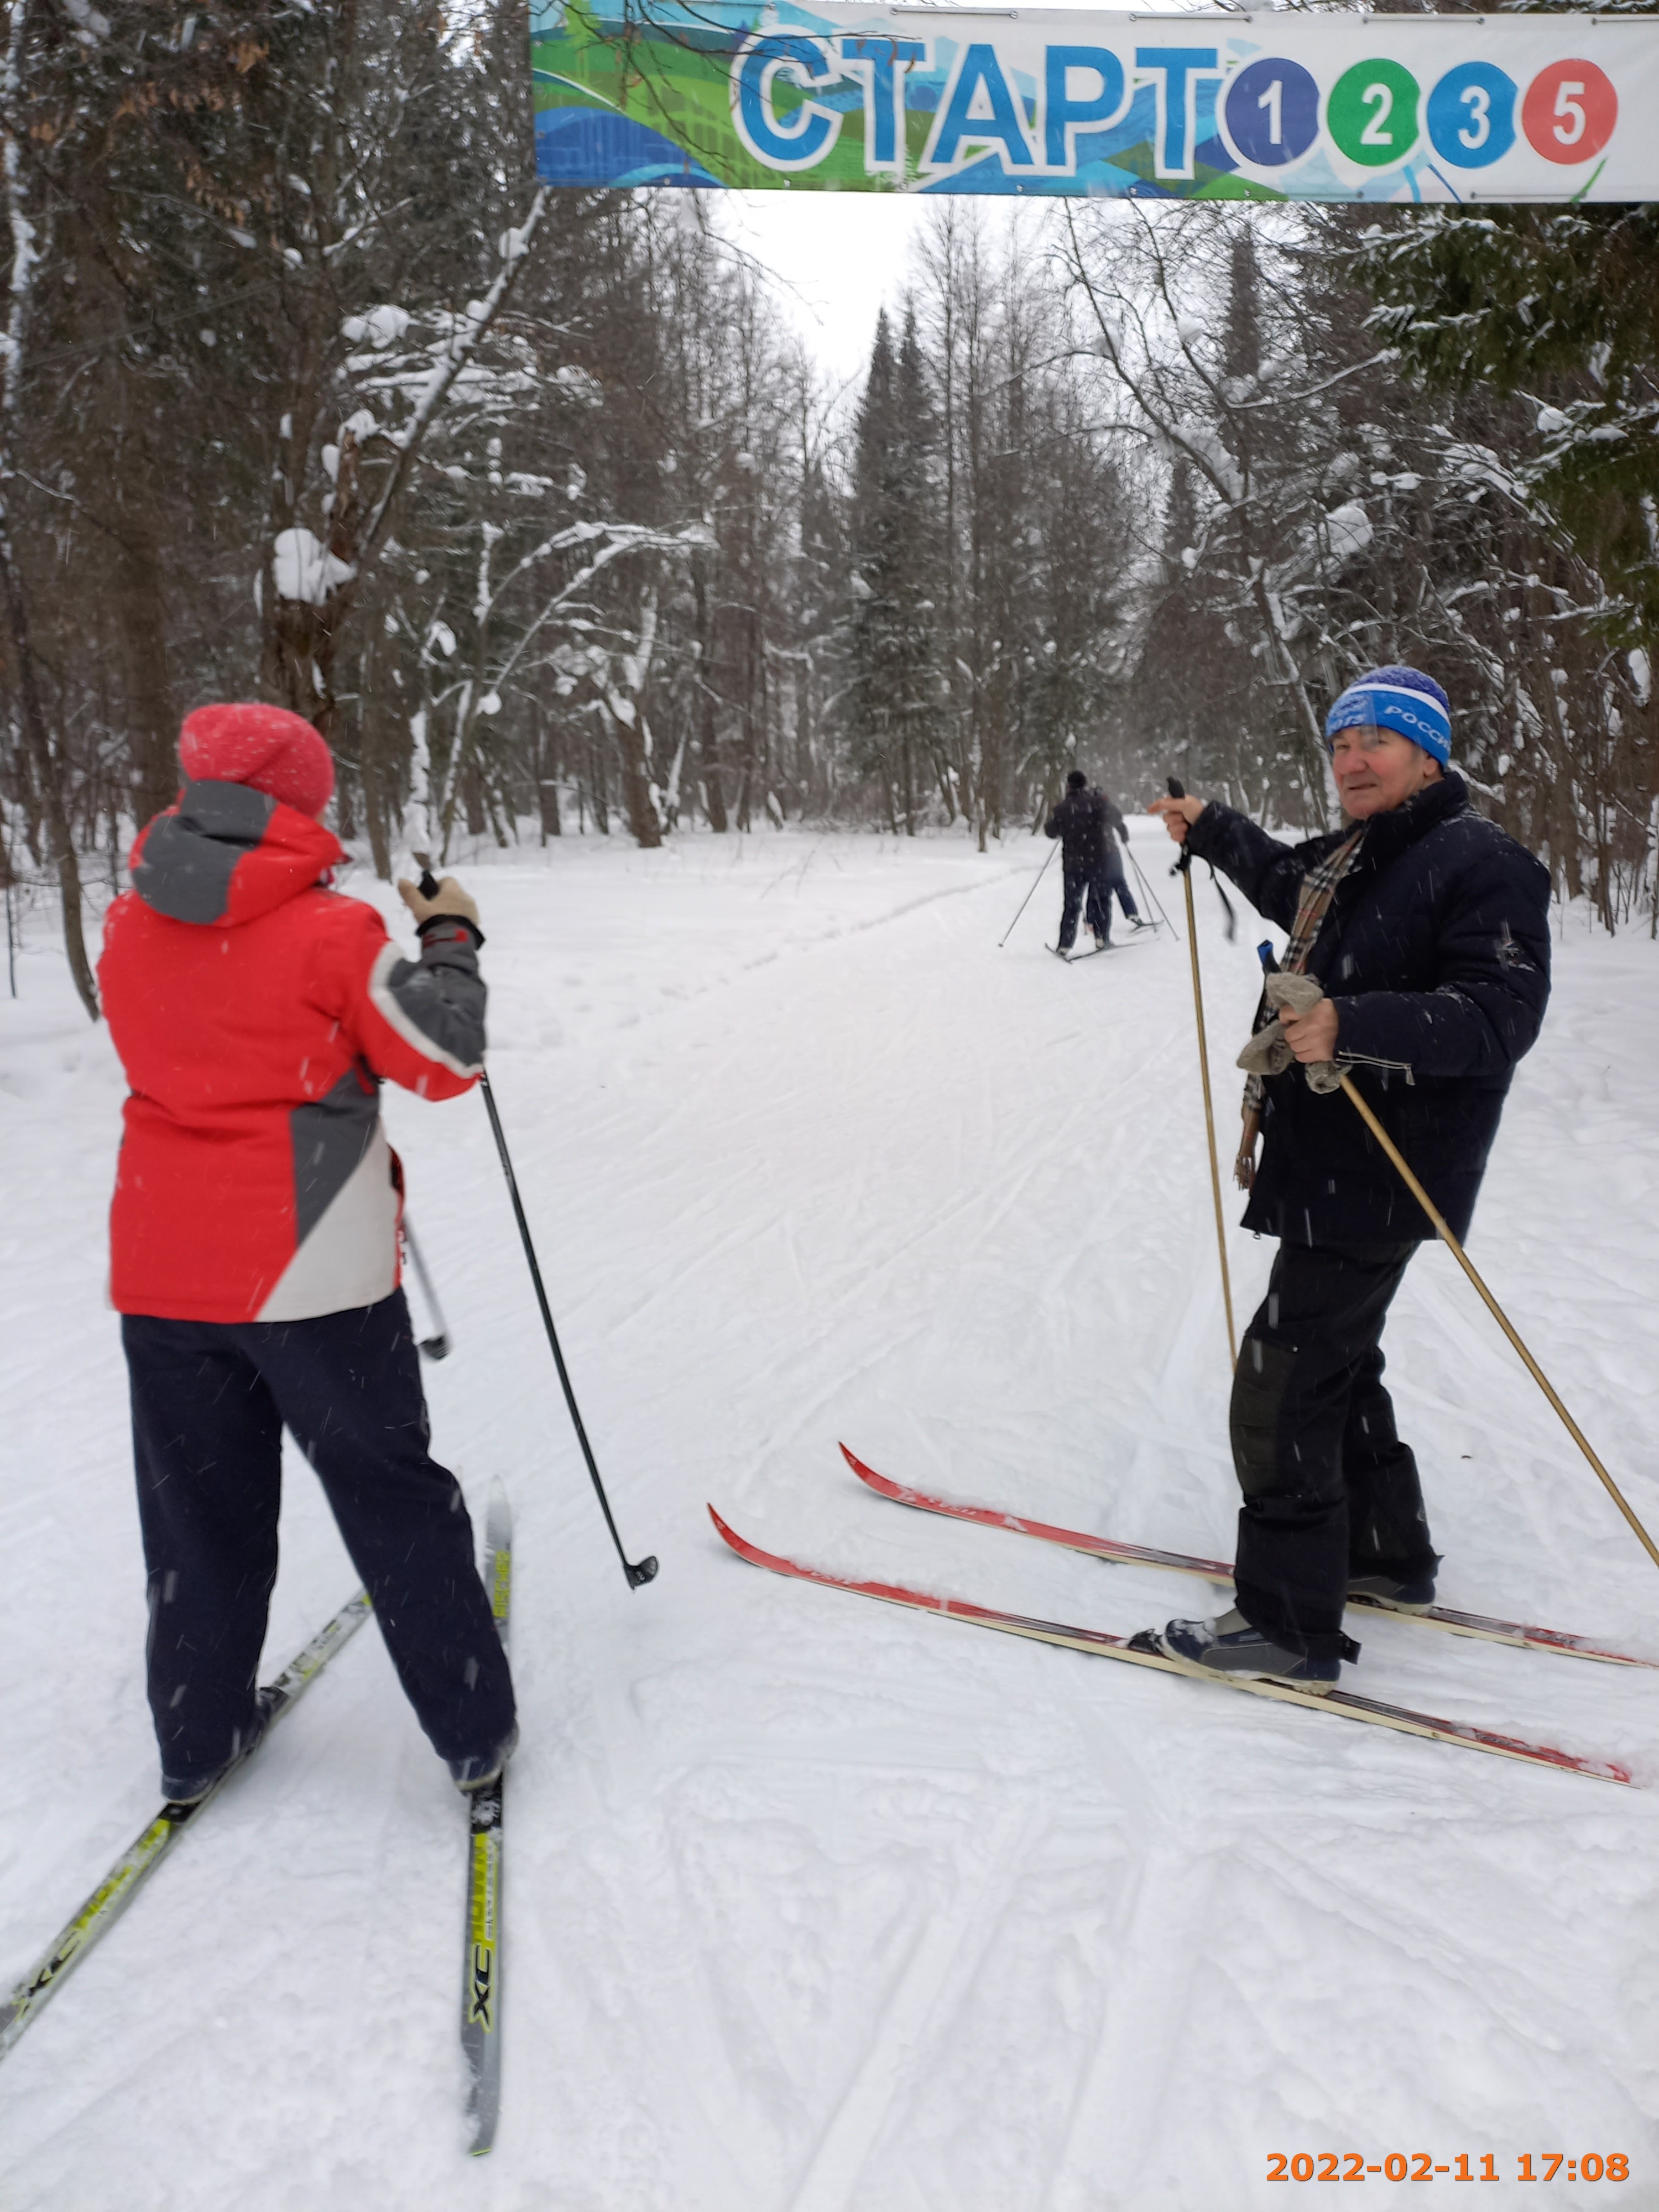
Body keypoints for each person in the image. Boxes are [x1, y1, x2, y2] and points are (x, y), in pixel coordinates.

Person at [98, 701, 517, 1802]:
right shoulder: (333, 932)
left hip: (163, 1263)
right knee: (389, 1494)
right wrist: (451, 937)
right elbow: (446, 1056)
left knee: (197, 1511)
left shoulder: (126, 923)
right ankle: (473, 1728)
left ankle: (198, 1734)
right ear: (300, 803)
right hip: (311, 1268)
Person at [1142, 666, 1551, 1689]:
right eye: (1339, 744)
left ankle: (1284, 1626)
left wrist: (1350, 1024)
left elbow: (1503, 1015)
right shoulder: (1368, 855)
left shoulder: (1484, 862)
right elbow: (1291, 886)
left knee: (1282, 1381)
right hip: (1333, 1163)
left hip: (1390, 1161)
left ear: (1429, 753)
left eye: (1377, 740)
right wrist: (1215, 827)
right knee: (1338, 1359)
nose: (1353, 760)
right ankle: (1383, 1557)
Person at [1045, 770, 1139, 952]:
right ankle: (1102, 939)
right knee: (1101, 900)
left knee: (1072, 905)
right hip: (1098, 861)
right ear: (1085, 784)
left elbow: (1051, 832)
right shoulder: (1097, 803)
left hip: (1073, 865)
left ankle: (1065, 945)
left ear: (1069, 786)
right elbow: (1117, 817)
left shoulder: (1063, 808)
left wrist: (1059, 823)